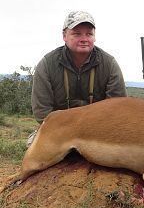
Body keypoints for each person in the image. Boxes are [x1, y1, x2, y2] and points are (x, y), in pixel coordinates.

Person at [28, 11, 127, 145]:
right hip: (59, 131)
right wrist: (68, 134)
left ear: (94, 36)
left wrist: (89, 134)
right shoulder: (47, 64)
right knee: (34, 148)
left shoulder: (109, 64)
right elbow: (42, 112)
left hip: (98, 133)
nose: (84, 39)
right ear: (64, 35)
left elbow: (117, 109)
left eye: (89, 34)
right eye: (77, 33)